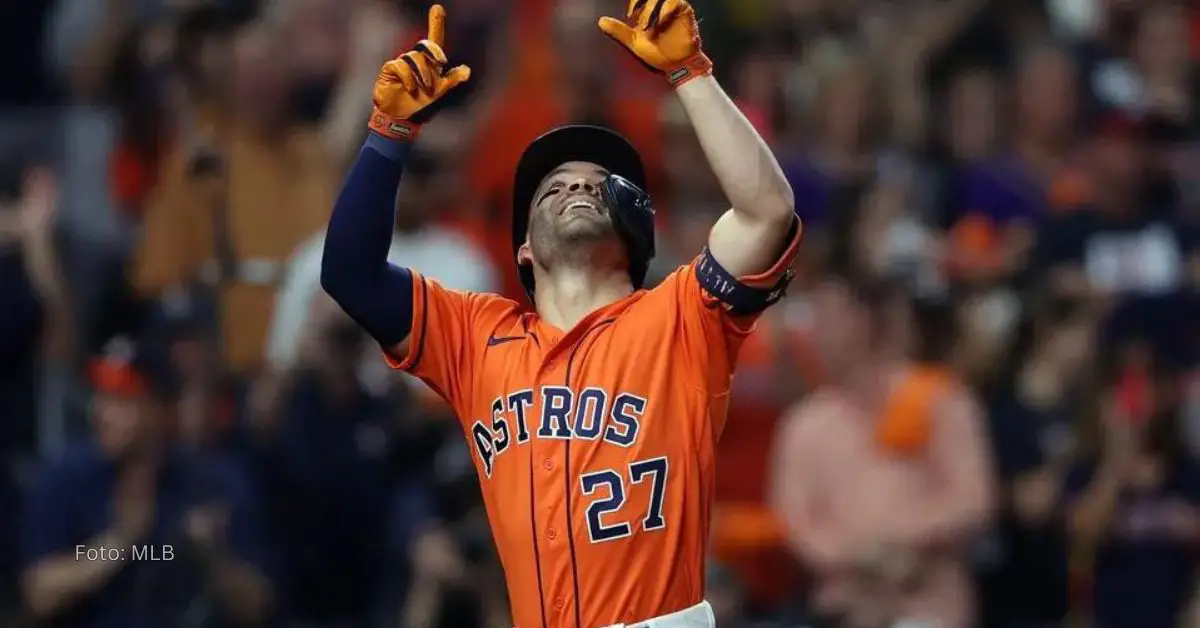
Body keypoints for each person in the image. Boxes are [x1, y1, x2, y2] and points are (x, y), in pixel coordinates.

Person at [319, 1, 799, 626]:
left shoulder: (683, 319)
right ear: (522, 247)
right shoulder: (475, 336)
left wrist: (691, 73)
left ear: (636, 234)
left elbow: (766, 211)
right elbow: (349, 274)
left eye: (598, 184)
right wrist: (388, 132)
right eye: (554, 186)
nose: (576, 185)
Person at [771, 275, 994, 628]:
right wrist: (862, 557)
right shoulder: (805, 424)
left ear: (865, 319)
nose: (813, 331)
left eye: (827, 317)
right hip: (841, 607)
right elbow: (798, 524)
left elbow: (972, 501)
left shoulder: (938, 399)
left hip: (929, 604)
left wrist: (900, 542)